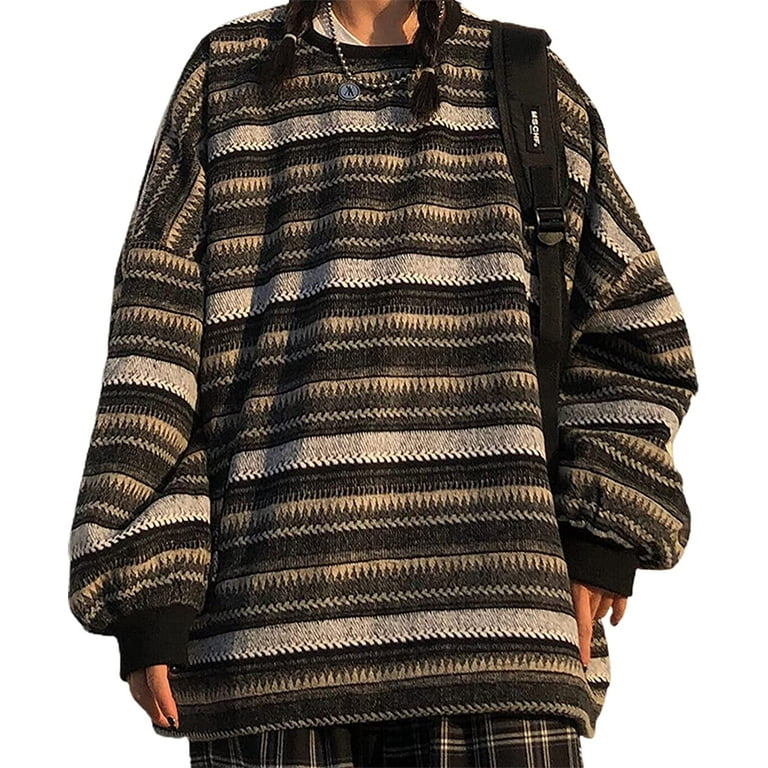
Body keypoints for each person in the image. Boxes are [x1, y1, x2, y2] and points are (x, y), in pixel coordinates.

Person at [66, 1, 699, 766]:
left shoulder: (526, 85)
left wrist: (603, 531)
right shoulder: (230, 79)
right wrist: (149, 593)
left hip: (499, 643)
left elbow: (634, 329)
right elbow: (153, 344)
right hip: (270, 647)